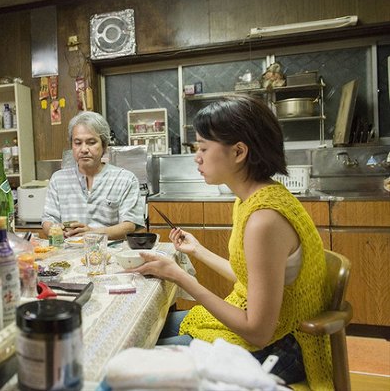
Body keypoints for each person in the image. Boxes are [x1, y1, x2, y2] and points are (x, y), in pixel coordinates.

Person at [130, 96, 332, 388]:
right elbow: (253, 279)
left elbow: (258, 331)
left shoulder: (264, 218)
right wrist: (197, 251)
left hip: (284, 347)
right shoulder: (250, 199)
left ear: (238, 152)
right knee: (149, 330)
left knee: (139, 360)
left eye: (203, 148)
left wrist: (180, 277)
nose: (196, 157)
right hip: (273, 335)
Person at [41, 111, 144, 240]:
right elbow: (48, 220)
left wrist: (93, 233)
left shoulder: (125, 179)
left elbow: (129, 225)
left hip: (110, 255)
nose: (84, 149)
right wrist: (55, 230)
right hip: (68, 255)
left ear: (104, 146)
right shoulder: (58, 179)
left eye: (91, 142)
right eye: (78, 143)